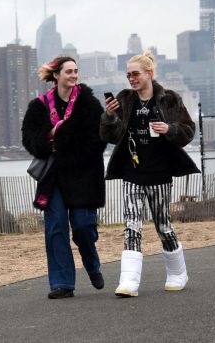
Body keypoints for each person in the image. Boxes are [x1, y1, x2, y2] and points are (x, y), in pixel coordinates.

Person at [100, 51, 199, 297]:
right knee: (132, 225)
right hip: (132, 172)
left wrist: (169, 128)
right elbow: (110, 136)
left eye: (136, 74)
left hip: (160, 173)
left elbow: (188, 131)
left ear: (149, 74)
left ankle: (178, 273)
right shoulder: (124, 100)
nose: (131, 79)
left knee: (163, 225)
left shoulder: (169, 99)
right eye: (128, 75)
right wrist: (109, 117)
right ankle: (129, 281)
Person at [21, 56, 107, 299]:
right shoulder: (39, 106)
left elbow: (98, 139)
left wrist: (69, 150)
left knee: (82, 226)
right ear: (56, 75)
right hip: (54, 176)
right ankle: (62, 282)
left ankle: (92, 263)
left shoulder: (89, 104)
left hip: (84, 174)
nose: (73, 75)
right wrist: (50, 134)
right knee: (56, 226)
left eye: (76, 71)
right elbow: (29, 139)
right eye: (68, 71)